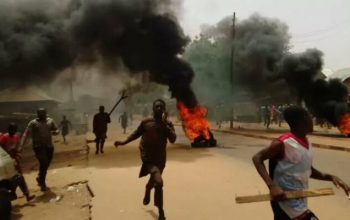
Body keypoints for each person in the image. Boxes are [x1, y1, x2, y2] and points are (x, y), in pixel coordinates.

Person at [252, 106, 350, 220]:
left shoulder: (307, 142)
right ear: (303, 119)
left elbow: (308, 170)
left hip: (299, 199)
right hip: (284, 200)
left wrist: (331, 177)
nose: (312, 120)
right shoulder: (283, 143)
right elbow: (257, 158)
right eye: (309, 116)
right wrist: (272, 187)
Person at [114, 99, 176, 220]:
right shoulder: (146, 122)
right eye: (157, 106)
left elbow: (173, 139)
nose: (159, 108)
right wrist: (123, 142)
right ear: (153, 109)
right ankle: (161, 211)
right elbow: (135, 134)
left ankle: (148, 189)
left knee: (154, 180)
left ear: (164, 109)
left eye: (161, 107)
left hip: (160, 159)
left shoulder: (167, 124)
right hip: (148, 158)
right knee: (159, 182)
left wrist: (165, 125)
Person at [20, 108, 59, 192]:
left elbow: (56, 129)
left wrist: (56, 132)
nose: (41, 114)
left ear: (46, 113)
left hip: (49, 146)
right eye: (40, 113)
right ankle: (43, 183)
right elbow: (25, 134)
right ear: (37, 114)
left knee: (46, 164)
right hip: (38, 147)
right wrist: (21, 145)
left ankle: (40, 177)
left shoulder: (50, 121)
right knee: (43, 162)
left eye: (43, 113)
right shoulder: (33, 123)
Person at [0, 123, 35, 201]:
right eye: (12, 129)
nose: (13, 131)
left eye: (14, 130)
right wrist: (8, 153)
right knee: (14, 178)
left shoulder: (15, 137)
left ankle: (27, 195)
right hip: (6, 159)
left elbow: (14, 148)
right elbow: (1, 147)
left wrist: (16, 153)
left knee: (19, 177)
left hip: (12, 160)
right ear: (8, 130)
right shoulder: (4, 137)